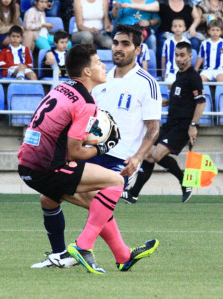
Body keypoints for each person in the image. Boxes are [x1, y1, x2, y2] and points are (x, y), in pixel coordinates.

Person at [18, 43, 159, 274]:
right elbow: (74, 152)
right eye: (97, 62)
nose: (104, 65)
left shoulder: (61, 87)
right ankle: (83, 247)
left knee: (77, 202)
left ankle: (119, 256)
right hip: (47, 167)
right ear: (87, 71)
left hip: (27, 164)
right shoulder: (86, 102)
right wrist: (104, 146)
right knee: (116, 182)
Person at [122, 42, 206, 204]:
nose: (178, 59)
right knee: (148, 154)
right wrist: (163, 102)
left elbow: (201, 102)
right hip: (170, 124)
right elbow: (181, 99)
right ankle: (133, 194)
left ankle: (185, 183)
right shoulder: (179, 76)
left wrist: (193, 126)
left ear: (190, 56)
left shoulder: (193, 77)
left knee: (156, 154)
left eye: (182, 55)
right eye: (176, 55)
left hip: (183, 126)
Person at [90, 24, 162, 187]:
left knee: (98, 200)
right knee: (49, 197)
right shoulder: (100, 81)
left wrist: (137, 157)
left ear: (138, 50)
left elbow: (153, 127)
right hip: (92, 153)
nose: (118, 48)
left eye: (125, 44)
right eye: (115, 43)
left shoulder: (147, 83)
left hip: (121, 160)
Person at [118, 0, 201, 73]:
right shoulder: (163, 2)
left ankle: (191, 71)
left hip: (185, 33)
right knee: (163, 42)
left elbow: (197, 17)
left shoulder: (189, 3)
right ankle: (160, 70)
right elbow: (147, 7)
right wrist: (129, 5)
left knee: (195, 42)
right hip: (166, 34)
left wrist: (193, 27)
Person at [162, 17, 190, 85]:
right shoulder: (167, 42)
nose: (177, 28)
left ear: (184, 28)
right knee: (169, 87)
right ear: (172, 28)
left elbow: (189, 59)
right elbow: (163, 58)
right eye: (175, 26)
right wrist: (163, 74)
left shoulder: (187, 42)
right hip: (170, 71)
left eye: (180, 26)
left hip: (182, 71)